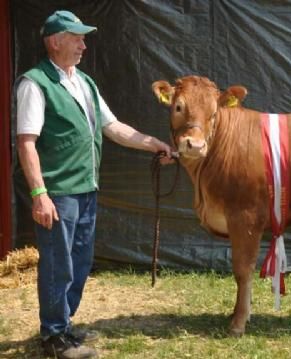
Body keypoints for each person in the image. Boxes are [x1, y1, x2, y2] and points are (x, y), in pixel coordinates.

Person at [15, 10, 174, 359]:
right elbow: (26, 142)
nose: (84, 45)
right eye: (77, 38)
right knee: (59, 263)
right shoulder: (35, 83)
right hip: (58, 192)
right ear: (55, 42)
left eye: (84, 39)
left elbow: (113, 127)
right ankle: (54, 337)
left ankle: (63, 325)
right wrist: (40, 194)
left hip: (86, 190)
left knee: (81, 261)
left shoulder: (84, 83)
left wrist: (154, 143)